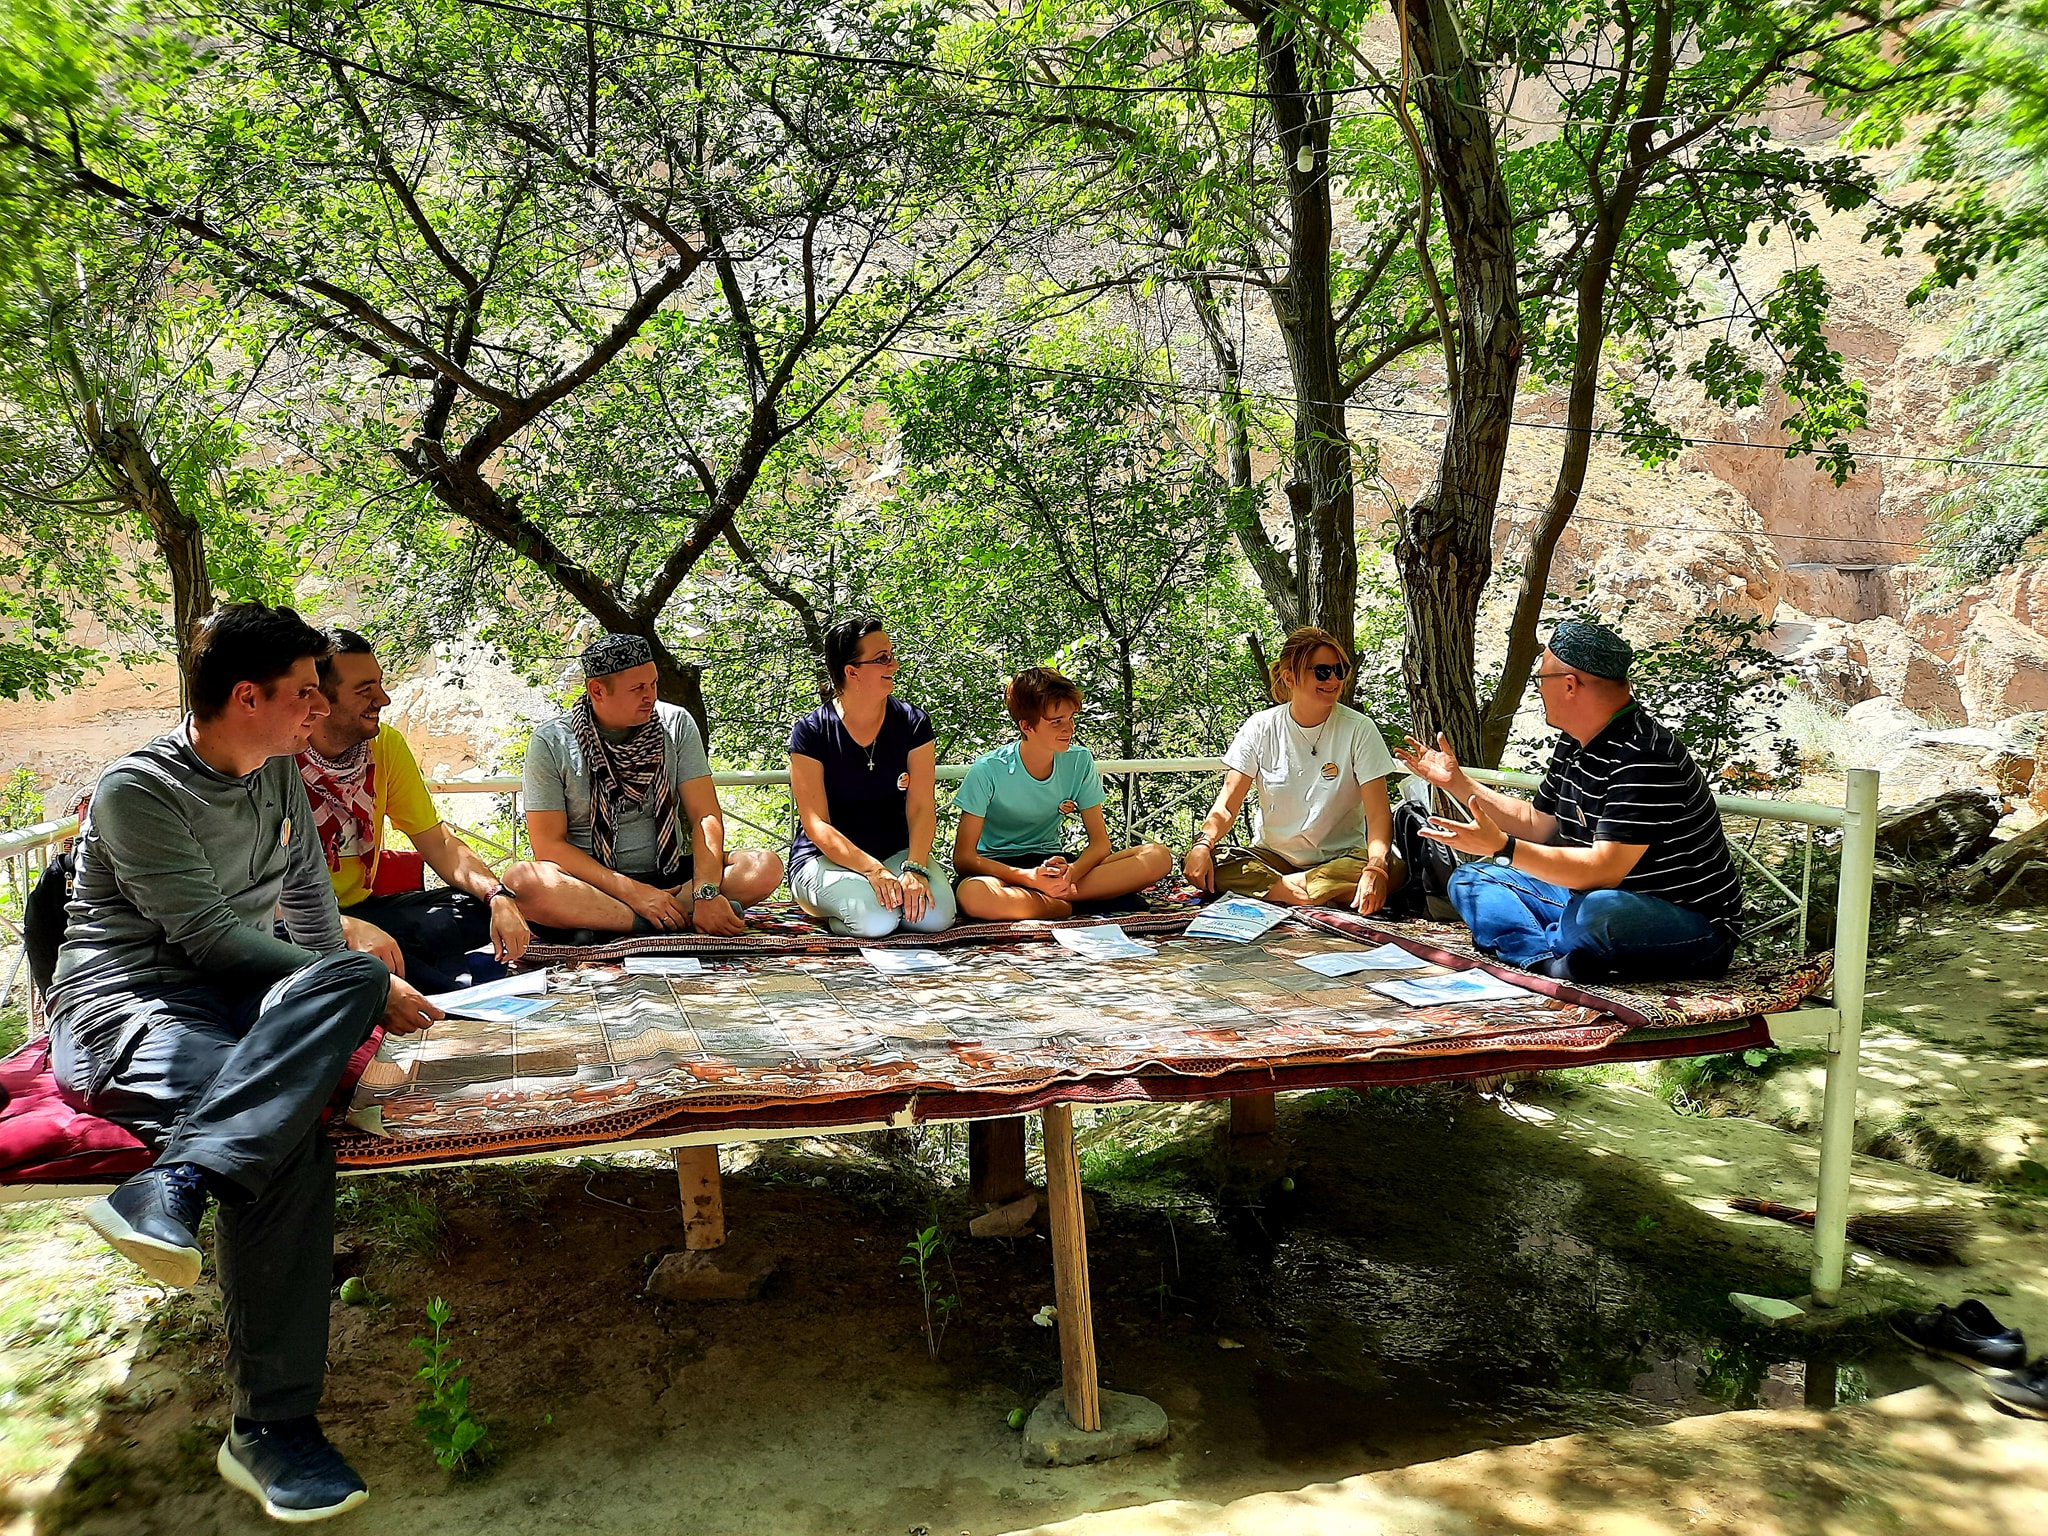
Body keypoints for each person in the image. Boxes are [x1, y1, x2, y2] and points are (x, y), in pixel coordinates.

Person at [46, 603, 443, 1522]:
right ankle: (270, 1428)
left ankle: (175, 1184)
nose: (320, 709)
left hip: (242, 1003)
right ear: (246, 697)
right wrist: (351, 984)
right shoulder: (138, 790)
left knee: (350, 972)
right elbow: (211, 938)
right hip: (130, 1006)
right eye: (305, 693)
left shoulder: (277, 780)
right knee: (287, 1136)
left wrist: (354, 997)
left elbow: (311, 919)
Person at [1395, 619, 1744, 981]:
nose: (1538, 690)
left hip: (1687, 923)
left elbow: (1603, 870)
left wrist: (1503, 847)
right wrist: (1458, 783)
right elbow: (1536, 824)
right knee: (1471, 880)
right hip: (1586, 895)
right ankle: (1545, 961)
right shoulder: (1575, 741)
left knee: (1595, 915)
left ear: (1569, 685)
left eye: (1540, 679)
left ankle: (1543, 943)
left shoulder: (1645, 755)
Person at [299, 629, 534, 992]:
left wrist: (496, 895)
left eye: (380, 684)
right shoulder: (280, 756)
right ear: (319, 699)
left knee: (475, 910)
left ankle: (391, 973)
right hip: (301, 922)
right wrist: (339, 927)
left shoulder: (385, 746)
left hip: (366, 911)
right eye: (365, 691)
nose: (383, 699)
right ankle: (410, 981)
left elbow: (437, 842)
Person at [517, 634, 782, 937]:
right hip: (595, 883)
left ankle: (619, 921)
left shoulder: (676, 724)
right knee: (522, 882)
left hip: (671, 875)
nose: (651, 696)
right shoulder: (551, 742)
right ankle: (663, 919)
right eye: (638, 688)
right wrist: (634, 894)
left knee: (764, 866)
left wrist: (706, 892)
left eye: (653, 684)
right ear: (597, 690)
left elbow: (705, 815)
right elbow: (548, 845)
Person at [1184, 626, 1403, 913]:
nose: (1334, 680)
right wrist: (1202, 844)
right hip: (1273, 858)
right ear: (1289, 677)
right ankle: (1313, 894)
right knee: (1213, 862)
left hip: (1342, 859)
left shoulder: (1359, 729)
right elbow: (1227, 805)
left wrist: (1375, 867)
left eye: (1340, 670)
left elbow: (1378, 815)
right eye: (1322, 672)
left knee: (1392, 868)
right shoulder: (1260, 727)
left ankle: (1280, 891)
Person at [952, 667, 1174, 920]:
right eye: (1057, 721)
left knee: (1157, 857)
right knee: (974, 896)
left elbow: (1100, 844)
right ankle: (1065, 905)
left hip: (1057, 867)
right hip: (1002, 870)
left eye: (1071, 718)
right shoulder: (988, 769)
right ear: (1027, 726)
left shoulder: (1079, 760)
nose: (1069, 729)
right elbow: (964, 858)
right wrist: (1029, 878)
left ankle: (1052, 897)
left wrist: (1072, 873)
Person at [786, 617, 957, 938]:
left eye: (892, 654)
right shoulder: (811, 731)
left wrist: (915, 868)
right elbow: (816, 824)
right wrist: (872, 870)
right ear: (852, 672)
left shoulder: (913, 723)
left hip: (896, 855)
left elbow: (922, 806)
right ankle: (846, 915)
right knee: (876, 920)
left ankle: (875, 909)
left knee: (935, 918)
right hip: (824, 859)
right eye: (882, 659)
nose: (894, 664)